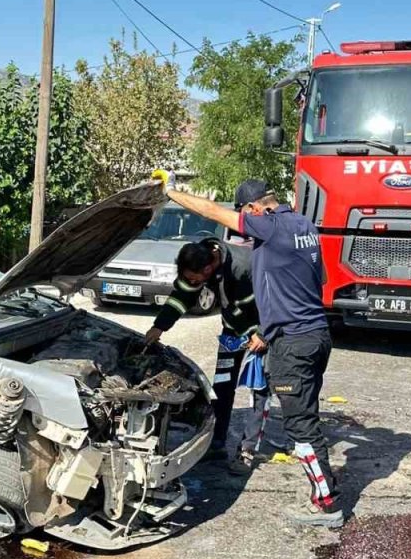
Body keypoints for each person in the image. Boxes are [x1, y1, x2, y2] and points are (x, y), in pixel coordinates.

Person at [157, 173, 341, 528]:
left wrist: (169, 191)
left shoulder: (269, 228)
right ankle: (321, 489)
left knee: (299, 427)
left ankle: (326, 503)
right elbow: (319, 281)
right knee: (302, 418)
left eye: (247, 217)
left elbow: (211, 210)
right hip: (315, 334)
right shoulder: (304, 226)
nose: (246, 228)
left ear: (256, 209)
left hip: (289, 342)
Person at [143, 238, 270, 474]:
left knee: (258, 390)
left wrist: (262, 333)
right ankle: (216, 444)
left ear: (209, 268)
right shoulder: (197, 258)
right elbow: (181, 296)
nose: (192, 282)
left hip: (262, 334)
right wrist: (159, 326)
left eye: (195, 278)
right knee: (221, 386)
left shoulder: (245, 266)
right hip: (233, 332)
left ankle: (247, 451)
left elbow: (275, 299)